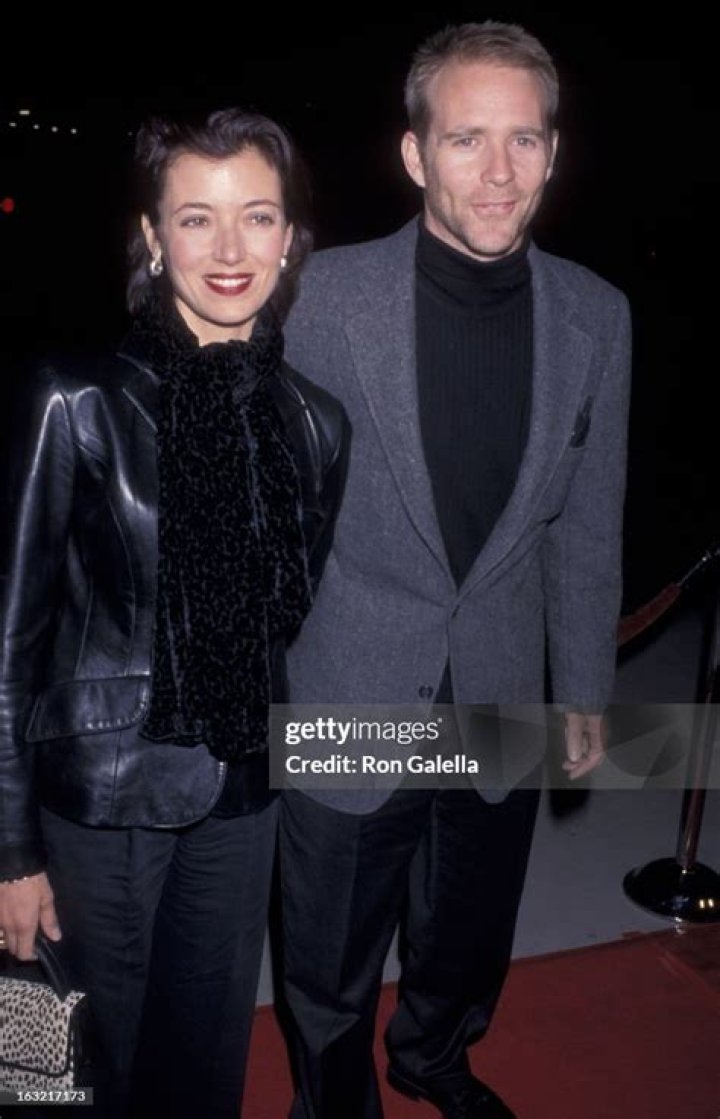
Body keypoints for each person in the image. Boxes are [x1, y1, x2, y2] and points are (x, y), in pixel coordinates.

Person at [279, 21, 631, 1119]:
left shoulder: (597, 315)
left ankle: (432, 1057)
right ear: (415, 153)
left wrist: (585, 687)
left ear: (554, 153)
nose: (497, 172)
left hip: (500, 680)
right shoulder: (321, 297)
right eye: (466, 138)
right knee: (328, 954)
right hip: (350, 673)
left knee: (468, 932)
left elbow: (589, 524)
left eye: (523, 140)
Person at [0, 107, 348, 1119]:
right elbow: (10, 642)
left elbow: (288, 622)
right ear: (154, 237)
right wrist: (11, 854)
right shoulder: (75, 399)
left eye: (258, 217)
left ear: (291, 238)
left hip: (239, 799)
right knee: (56, 1074)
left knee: (202, 1067)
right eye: (197, 218)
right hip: (96, 800)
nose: (230, 249)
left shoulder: (316, 423)